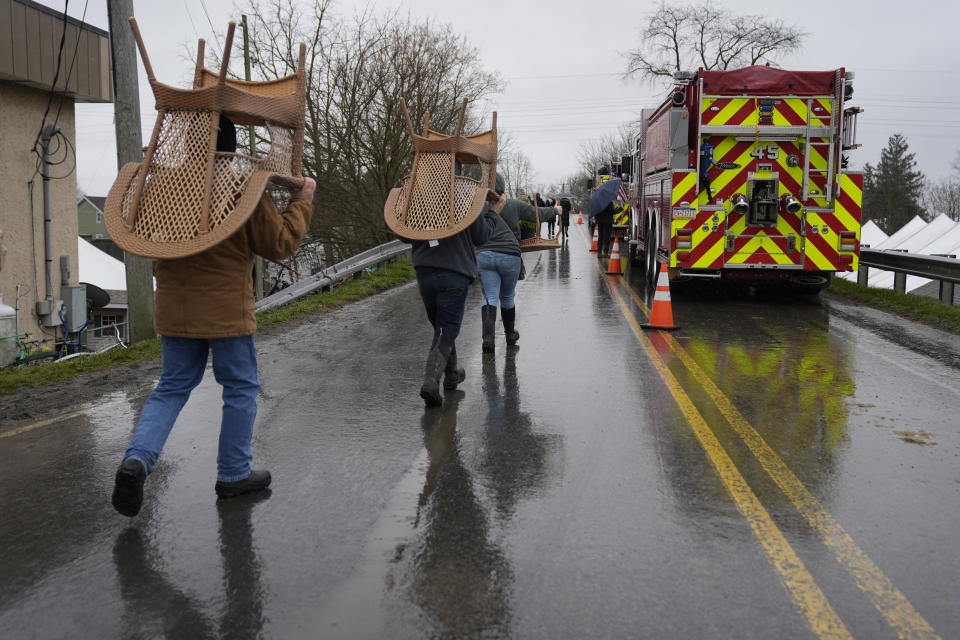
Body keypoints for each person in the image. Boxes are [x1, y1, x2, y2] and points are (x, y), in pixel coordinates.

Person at [111, 116, 316, 517]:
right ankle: (233, 474)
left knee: (170, 388)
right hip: (226, 312)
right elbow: (279, 243)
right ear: (231, 146)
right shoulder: (243, 188)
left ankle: (136, 461)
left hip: (173, 306)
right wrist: (303, 199)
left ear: (188, 144)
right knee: (240, 387)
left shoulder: (162, 186)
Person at [403, 187, 498, 407]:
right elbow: (482, 235)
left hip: (424, 269)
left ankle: (452, 374)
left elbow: (402, 234)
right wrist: (493, 213)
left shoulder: (418, 196)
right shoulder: (464, 198)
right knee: (446, 328)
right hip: (454, 271)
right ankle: (430, 382)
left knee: (441, 326)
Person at [477, 173, 538, 353]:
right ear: (502, 187)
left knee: (489, 296)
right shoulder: (513, 204)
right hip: (510, 257)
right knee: (507, 297)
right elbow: (537, 214)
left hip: (485, 255)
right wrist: (557, 210)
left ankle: (488, 339)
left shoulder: (477, 207)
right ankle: (510, 334)